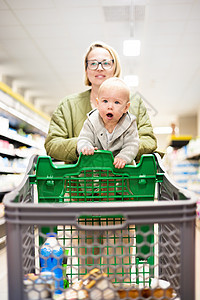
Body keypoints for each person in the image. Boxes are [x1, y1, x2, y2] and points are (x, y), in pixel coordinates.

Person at [44, 41, 158, 163]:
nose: (99, 68)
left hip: (123, 178)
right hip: (79, 180)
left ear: (115, 68)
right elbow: (52, 144)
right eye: (93, 63)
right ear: (86, 70)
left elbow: (149, 141)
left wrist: (125, 149)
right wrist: (83, 145)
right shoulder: (67, 105)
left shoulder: (135, 104)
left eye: (106, 63)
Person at [77, 77, 139, 168]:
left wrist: (123, 158)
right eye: (105, 101)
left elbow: (132, 145)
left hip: (121, 171)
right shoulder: (91, 121)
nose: (110, 106)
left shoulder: (129, 123)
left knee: (129, 179)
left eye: (117, 102)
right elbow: (84, 138)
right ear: (97, 103)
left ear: (126, 107)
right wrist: (85, 147)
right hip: (96, 168)